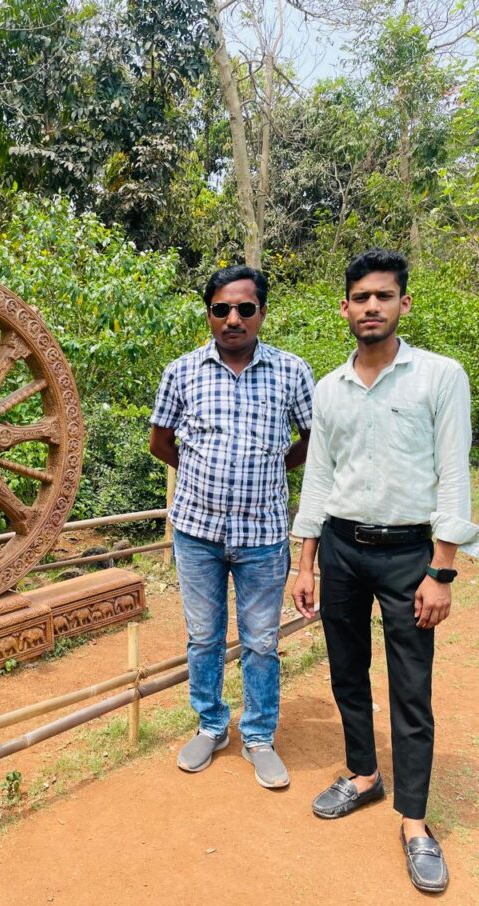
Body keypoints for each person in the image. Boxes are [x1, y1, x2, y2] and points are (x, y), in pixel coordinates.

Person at [292, 248, 479, 893]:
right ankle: (364, 774)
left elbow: (453, 475)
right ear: (344, 308)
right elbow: (318, 479)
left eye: (383, 296)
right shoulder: (329, 389)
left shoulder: (439, 377)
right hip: (341, 549)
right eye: (361, 298)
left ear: (403, 303)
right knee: (346, 670)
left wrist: (442, 570)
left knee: (410, 684)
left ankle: (415, 820)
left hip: (408, 555)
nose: (371, 307)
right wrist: (306, 562)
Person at [150, 266, 314, 787]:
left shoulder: (291, 371)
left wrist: (273, 467)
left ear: (262, 312)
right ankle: (211, 725)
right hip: (197, 533)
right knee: (203, 637)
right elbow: (161, 442)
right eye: (222, 309)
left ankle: (259, 735)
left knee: (261, 641)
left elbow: (313, 439)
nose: (233, 318)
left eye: (245, 308)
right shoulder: (182, 371)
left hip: (263, 535)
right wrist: (202, 473)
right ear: (210, 314)